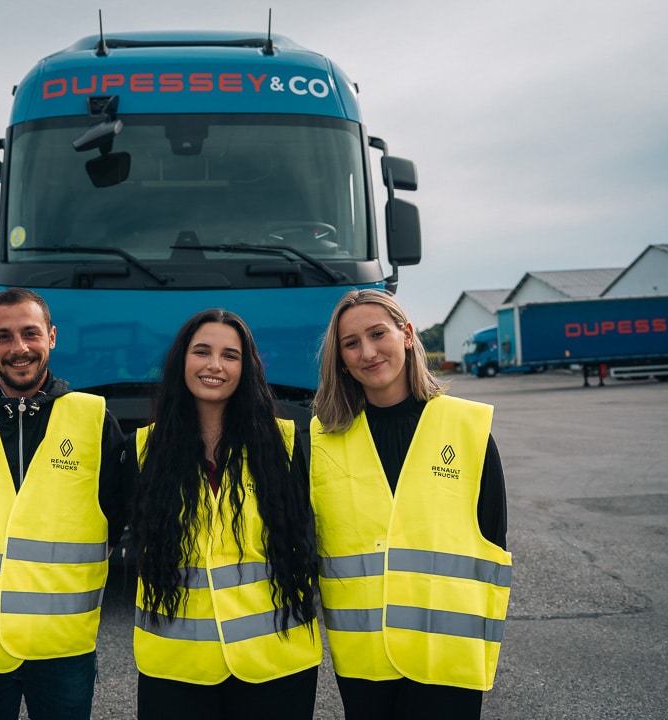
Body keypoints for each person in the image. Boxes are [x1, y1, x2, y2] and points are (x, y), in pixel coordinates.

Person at [0, 287, 125, 720]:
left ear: (52, 336)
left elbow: (115, 517)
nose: (19, 348)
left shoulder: (93, 420)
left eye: (30, 333)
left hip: (61, 644)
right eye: (3, 336)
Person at [309, 289, 511, 720]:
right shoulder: (322, 441)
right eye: (351, 343)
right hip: (365, 661)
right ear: (340, 359)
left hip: (447, 656)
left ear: (407, 335)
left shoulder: (467, 428)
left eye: (377, 334)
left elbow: (493, 539)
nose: (367, 352)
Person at [128, 309, 322, 720]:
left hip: (276, 664)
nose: (214, 365)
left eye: (230, 355)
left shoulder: (286, 445)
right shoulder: (143, 450)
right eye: (202, 352)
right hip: (176, 668)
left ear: (246, 368)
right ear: (182, 361)